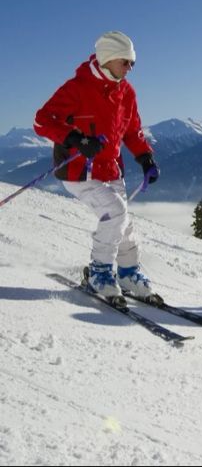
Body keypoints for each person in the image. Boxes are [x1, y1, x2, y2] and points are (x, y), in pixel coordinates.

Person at [33, 31, 160, 302]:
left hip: (111, 169)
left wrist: (145, 158)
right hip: (79, 170)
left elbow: (133, 131)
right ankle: (100, 272)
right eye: (125, 62)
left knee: (123, 221)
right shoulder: (78, 87)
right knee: (115, 212)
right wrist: (76, 139)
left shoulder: (126, 92)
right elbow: (43, 120)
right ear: (108, 58)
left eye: (132, 63)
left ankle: (127, 272)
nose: (130, 68)